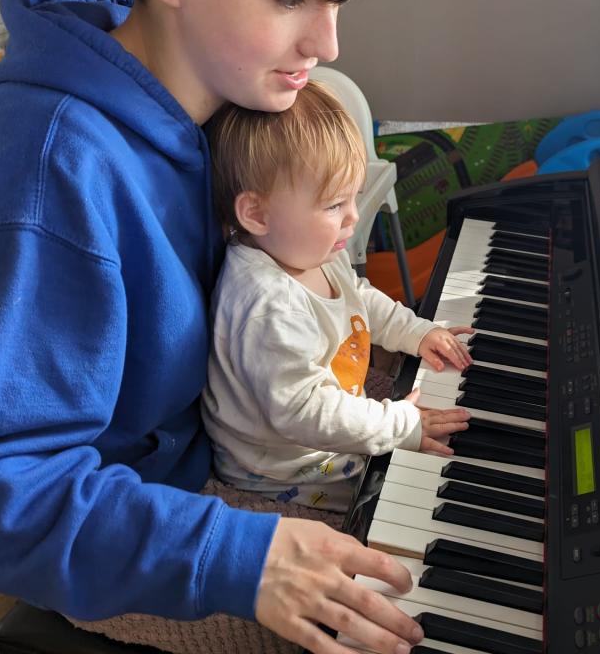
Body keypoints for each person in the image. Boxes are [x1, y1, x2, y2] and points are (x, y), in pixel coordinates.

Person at [0, 0, 436, 653]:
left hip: (213, 451)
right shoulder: (41, 174)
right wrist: (237, 556)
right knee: (407, 616)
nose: (329, 42)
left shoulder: (211, 98)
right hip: (141, 528)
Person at [201, 81, 472, 513]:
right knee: (402, 500)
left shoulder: (313, 249)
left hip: (324, 418)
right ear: (256, 214)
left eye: (354, 198)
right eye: (333, 205)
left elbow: (358, 295)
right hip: (283, 468)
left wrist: (416, 332)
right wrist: (398, 424)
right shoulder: (268, 306)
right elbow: (307, 413)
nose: (353, 217)